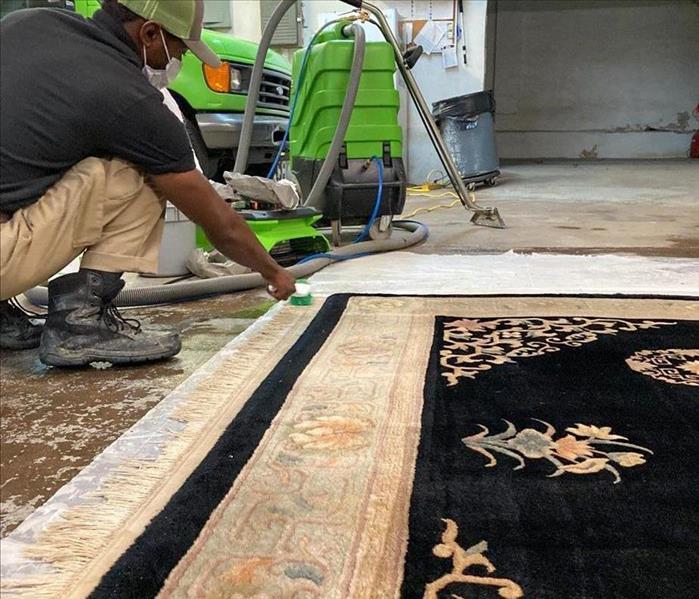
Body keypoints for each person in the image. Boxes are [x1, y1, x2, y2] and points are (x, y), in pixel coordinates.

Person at [0, 0, 296, 366]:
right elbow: (219, 223)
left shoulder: (28, 23)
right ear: (150, 33)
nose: (178, 62)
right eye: (179, 50)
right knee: (141, 173)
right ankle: (78, 326)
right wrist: (273, 272)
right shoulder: (130, 99)